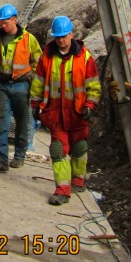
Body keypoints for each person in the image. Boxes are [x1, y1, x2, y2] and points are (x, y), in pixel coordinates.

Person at [30, 15, 101, 205]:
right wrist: (36, 105)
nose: (61, 40)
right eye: (57, 37)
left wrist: (90, 104)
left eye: (64, 36)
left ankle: (78, 180)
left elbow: (93, 85)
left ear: (71, 34)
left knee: (79, 148)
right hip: (56, 113)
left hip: (77, 112)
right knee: (58, 150)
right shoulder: (47, 57)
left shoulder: (84, 58)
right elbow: (38, 83)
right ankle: (62, 189)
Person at [0, 4, 42, 171]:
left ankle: (19, 155)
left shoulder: (28, 39)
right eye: (0, 22)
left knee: (22, 122)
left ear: (14, 20)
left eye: (5, 22)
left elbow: (39, 61)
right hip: (2, 85)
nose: (2, 25)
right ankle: (1, 159)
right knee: (0, 122)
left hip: (21, 86)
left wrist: (32, 78)